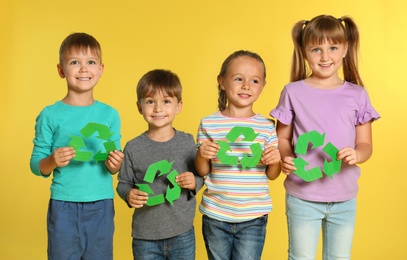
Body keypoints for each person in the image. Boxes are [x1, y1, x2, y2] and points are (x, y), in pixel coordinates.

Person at [270, 15, 381, 259]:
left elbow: (365, 145)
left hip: (344, 198)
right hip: (303, 196)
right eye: (316, 49)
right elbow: (282, 139)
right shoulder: (292, 92)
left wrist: (357, 154)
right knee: (301, 257)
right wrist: (286, 157)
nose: (324, 56)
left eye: (332, 48)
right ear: (304, 51)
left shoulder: (357, 95)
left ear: (345, 49)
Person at [29, 32, 124, 260]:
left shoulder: (110, 114)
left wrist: (115, 164)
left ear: (101, 69)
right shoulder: (50, 115)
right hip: (64, 205)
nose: (83, 69)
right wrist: (52, 160)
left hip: (101, 204)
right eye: (74, 63)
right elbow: (36, 164)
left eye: (90, 62)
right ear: (61, 70)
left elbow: (113, 167)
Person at [195, 50, 281, 260]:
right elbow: (202, 170)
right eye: (238, 79)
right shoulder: (209, 123)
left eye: (254, 80)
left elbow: (273, 174)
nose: (246, 86)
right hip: (216, 214)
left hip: (253, 216)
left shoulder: (267, 126)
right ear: (222, 82)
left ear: (262, 86)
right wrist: (201, 154)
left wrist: (275, 160)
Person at [116, 69, 204, 260]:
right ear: (139, 107)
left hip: (182, 233)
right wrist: (128, 194)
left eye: (166, 101)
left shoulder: (187, 142)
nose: (158, 108)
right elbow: (123, 183)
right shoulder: (133, 147)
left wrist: (194, 182)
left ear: (178, 106)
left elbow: (201, 175)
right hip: (145, 237)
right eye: (150, 101)